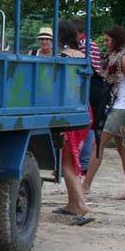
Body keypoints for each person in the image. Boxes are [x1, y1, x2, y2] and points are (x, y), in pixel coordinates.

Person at [82, 25, 125, 201]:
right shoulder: (116, 56)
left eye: (107, 40)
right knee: (124, 149)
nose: (105, 43)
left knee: (98, 144)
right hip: (119, 106)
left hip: (121, 107)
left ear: (116, 39)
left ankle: (86, 186)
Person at [54, 20, 94, 225]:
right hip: (84, 111)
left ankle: (80, 205)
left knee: (66, 163)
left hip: (67, 113)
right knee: (72, 159)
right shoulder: (83, 57)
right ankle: (72, 203)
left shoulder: (62, 57)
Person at [70, 18, 103, 171]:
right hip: (93, 83)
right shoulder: (90, 44)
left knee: (89, 122)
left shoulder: (85, 46)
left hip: (91, 84)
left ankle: (84, 162)